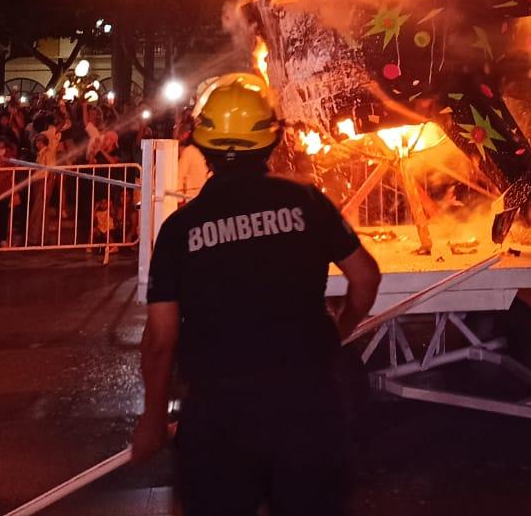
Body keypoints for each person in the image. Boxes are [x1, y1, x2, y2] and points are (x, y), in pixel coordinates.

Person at [133, 73, 382, 516]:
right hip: (308, 406)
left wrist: (153, 417)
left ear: (202, 143)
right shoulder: (306, 201)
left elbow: (160, 340)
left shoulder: (180, 229)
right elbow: (364, 277)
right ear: (272, 139)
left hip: (219, 415)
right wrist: (338, 331)